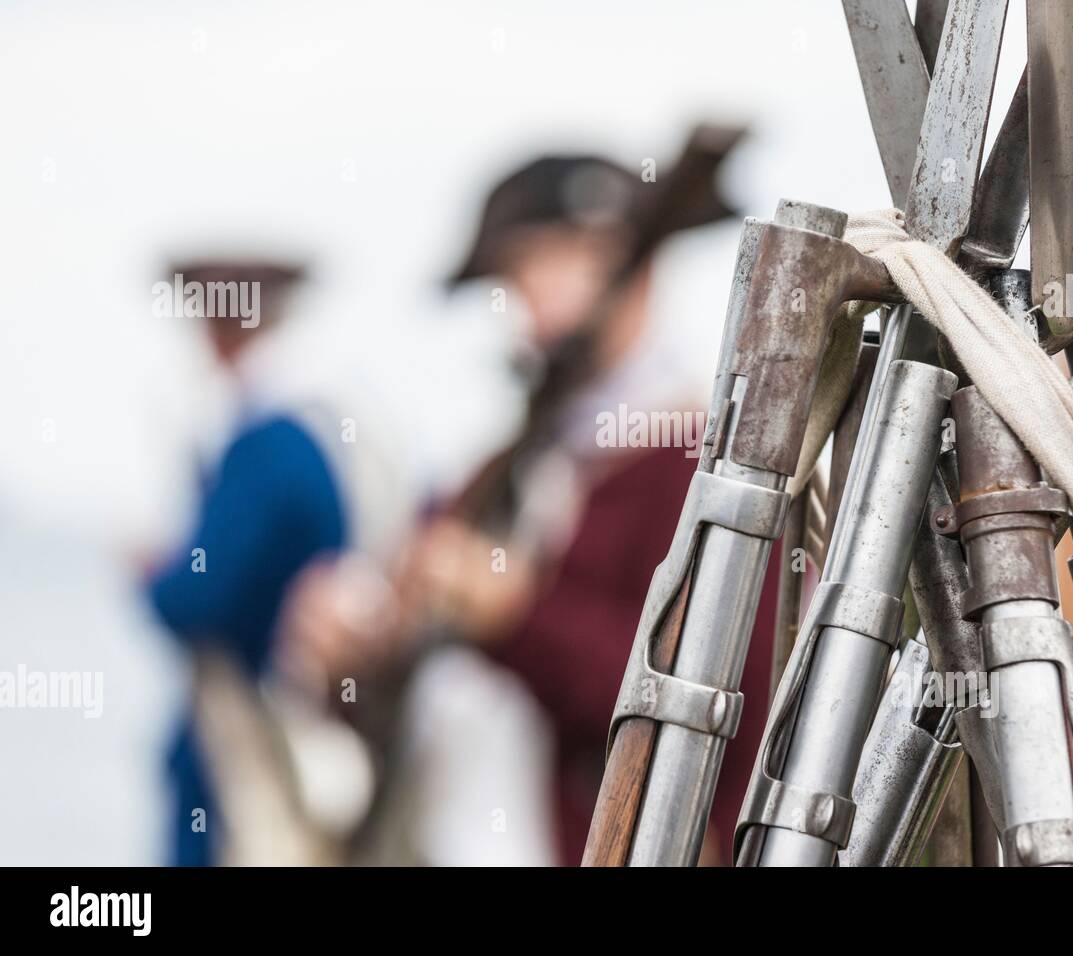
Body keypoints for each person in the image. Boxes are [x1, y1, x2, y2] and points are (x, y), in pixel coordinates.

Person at [281, 146, 780, 865]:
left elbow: (720, 717)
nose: (535, 302)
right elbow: (403, 706)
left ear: (631, 265)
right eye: (520, 276)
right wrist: (348, 658)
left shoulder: (702, 469)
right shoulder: (499, 469)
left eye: (566, 261)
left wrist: (519, 617)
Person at [145, 259, 407, 865]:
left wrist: (154, 577)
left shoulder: (265, 442)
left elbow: (193, 597)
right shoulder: (342, 427)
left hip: (256, 732)